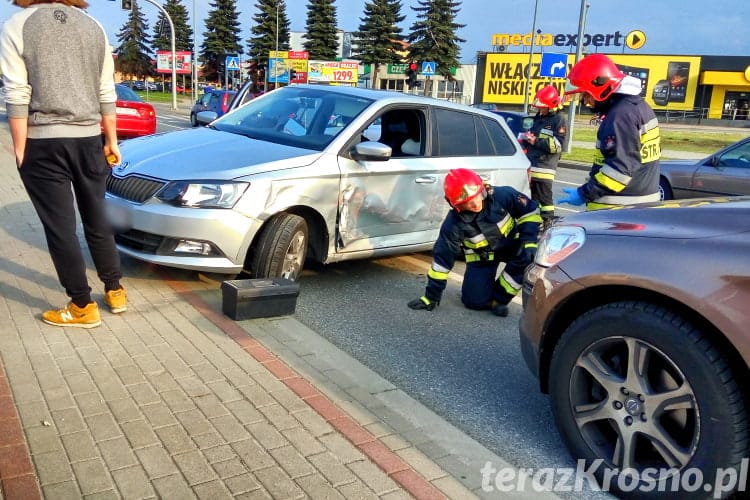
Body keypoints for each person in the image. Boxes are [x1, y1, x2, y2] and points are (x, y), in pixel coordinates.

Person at [0, 0, 127, 328]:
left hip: (43, 142)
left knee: (61, 227)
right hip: (89, 139)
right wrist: (110, 139)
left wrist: (18, 147)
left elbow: (17, 92)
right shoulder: (94, 26)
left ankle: (82, 305)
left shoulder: (18, 24)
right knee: (97, 216)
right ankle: (115, 289)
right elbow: (105, 90)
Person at [407, 168, 541, 317]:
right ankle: (487, 297)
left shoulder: (503, 195)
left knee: (528, 256)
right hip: (482, 258)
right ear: (456, 206)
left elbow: (530, 212)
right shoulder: (453, 224)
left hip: (512, 246)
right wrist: (430, 296)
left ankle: (499, 298)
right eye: (466, 203)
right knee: (474, 302)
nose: (475, 204)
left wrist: (529, 240)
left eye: (477, 197)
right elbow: (442, 262)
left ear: (482, 189)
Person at [557, 53, 662, 210]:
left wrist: (584, 193)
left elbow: (618, 171)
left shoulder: (619, 117)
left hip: (617, 210)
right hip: (638, 204)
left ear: (601, 87)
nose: (585, 102)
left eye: (586, 94)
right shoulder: (638, 107)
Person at [521, 85, 567, 228]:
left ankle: (548, 223)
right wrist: (525, 140)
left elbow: (558, 146)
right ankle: (535, 224)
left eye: (543, 107)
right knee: (533, 199)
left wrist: (535, 141)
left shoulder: (558, 121)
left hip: (544, 168)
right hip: (532, 166)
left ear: (552, 106)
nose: (540, 110)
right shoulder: (539, 118)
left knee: (545, 199)